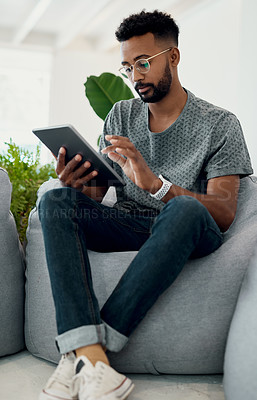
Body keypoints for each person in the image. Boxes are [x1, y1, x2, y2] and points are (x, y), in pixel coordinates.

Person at [38, 9, 253, 400]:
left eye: (143, 63)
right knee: (56, 200)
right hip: (129, 223)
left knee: (184, 209)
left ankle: (86, 354)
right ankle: (91, 357)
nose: (135, 76)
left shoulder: (220, 124)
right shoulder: (120, 114)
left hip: (188, 228)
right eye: (127, 67)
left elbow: (223, 212)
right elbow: (104, 195)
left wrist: (155, 185)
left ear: (172, 57)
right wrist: (79, 186)